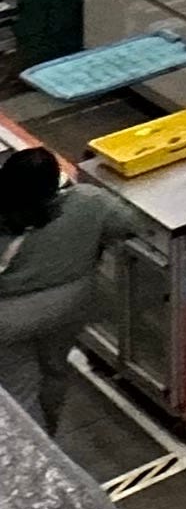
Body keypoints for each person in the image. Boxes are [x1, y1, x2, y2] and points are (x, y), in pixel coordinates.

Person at [0, 142, 117, 435]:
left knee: (20, 390)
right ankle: (50, 431)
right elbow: (130, 224)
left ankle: (39, 460)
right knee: (54, 370)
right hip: (69, 305)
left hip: (8, 319)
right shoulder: (90, 201)